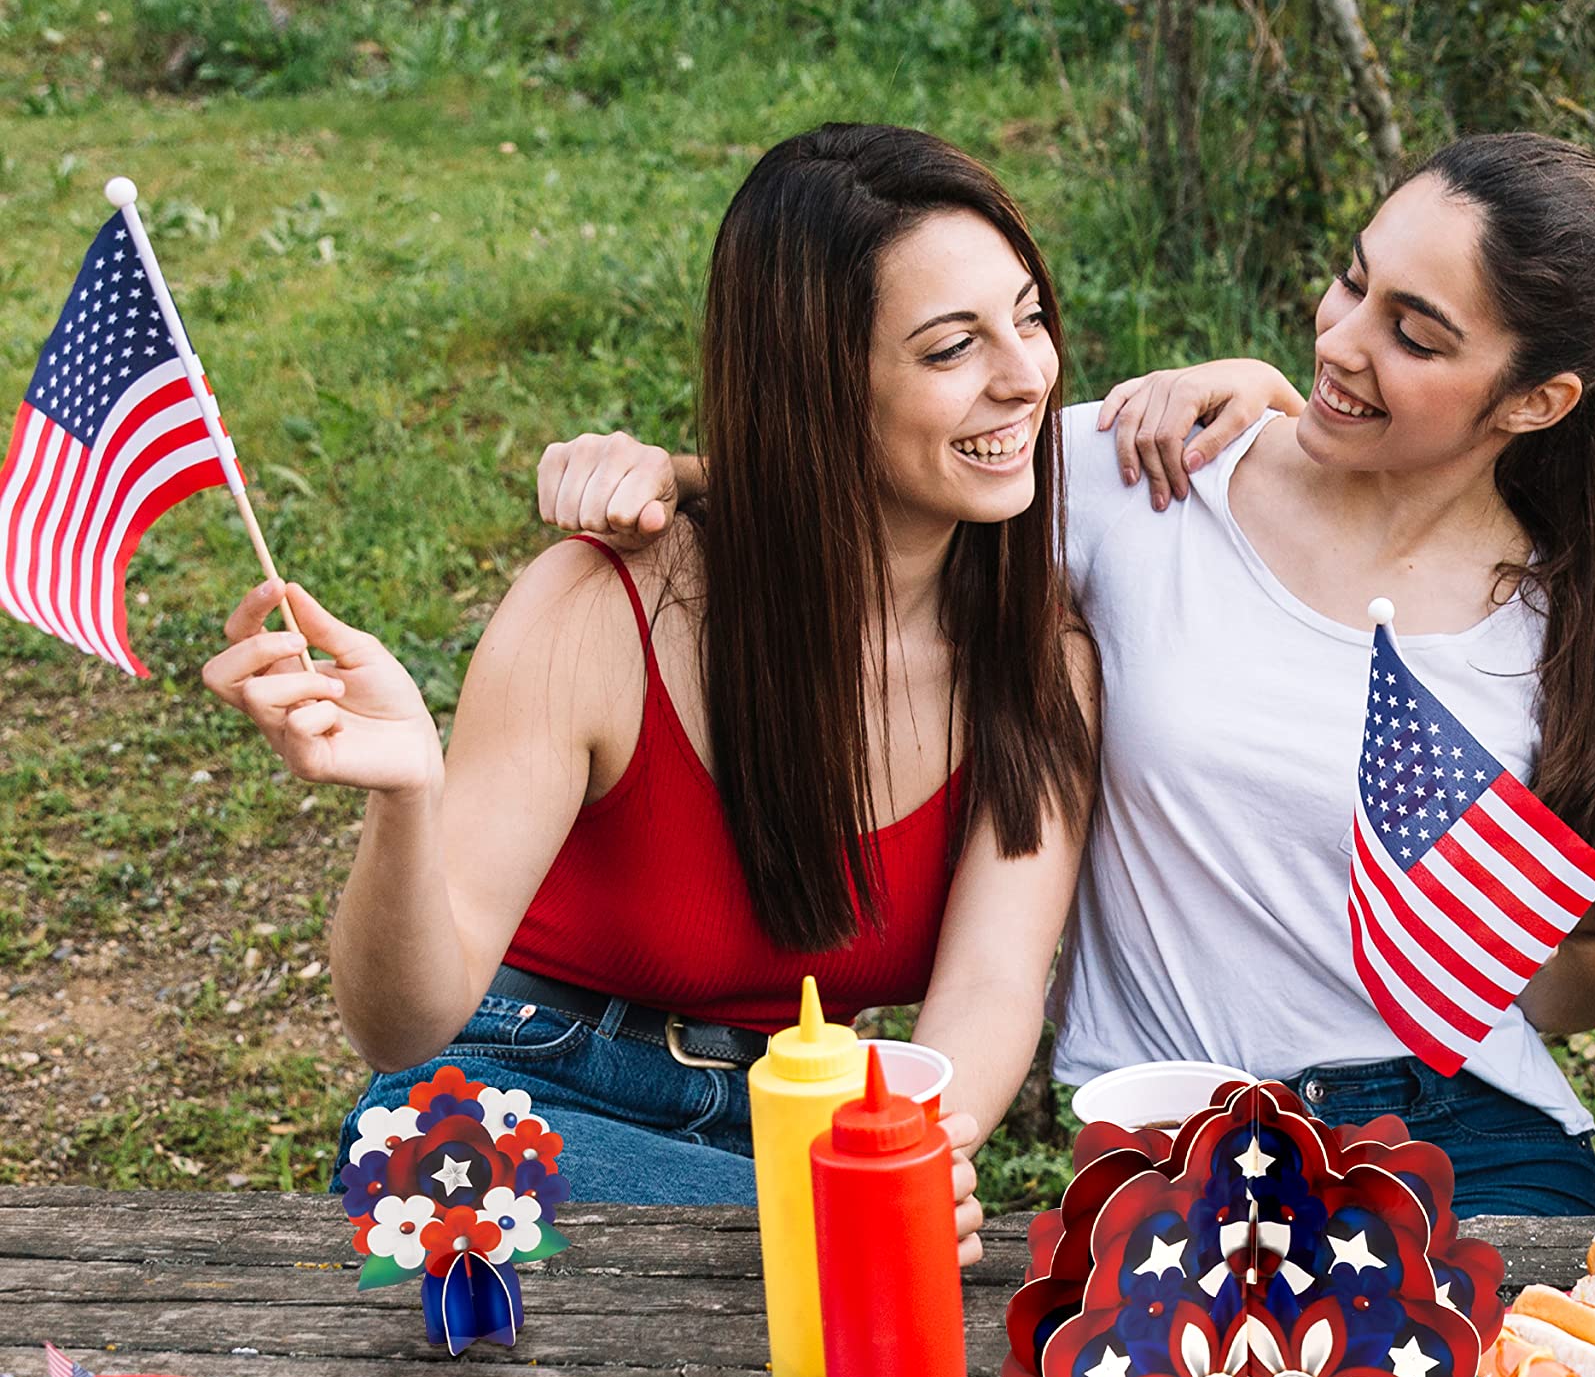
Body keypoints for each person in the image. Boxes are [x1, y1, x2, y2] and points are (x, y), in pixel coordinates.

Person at [540, 132, 1595, 1215]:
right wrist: (665, 471)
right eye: (1354, 281)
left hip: (1469, 1129)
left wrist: (1504, 936)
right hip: (1178, 1124)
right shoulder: (1152, 474)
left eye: (1416, 333)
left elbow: (1591, 967)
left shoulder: (1572, 615)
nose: (1341, 338)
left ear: (1539, 399)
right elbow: (875, 485)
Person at [203, 124, 1102, 1247]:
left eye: (1027, 318)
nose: (1026, 376)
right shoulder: (605, 608)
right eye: (949, 349)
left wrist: (908, 1166)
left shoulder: (1038, 648)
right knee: (432, 1153)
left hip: (805, 1122)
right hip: (536, 1092)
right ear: (819, 382)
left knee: (842, 1266)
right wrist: (405, 801)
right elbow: (400, 1031)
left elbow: (993, 987)